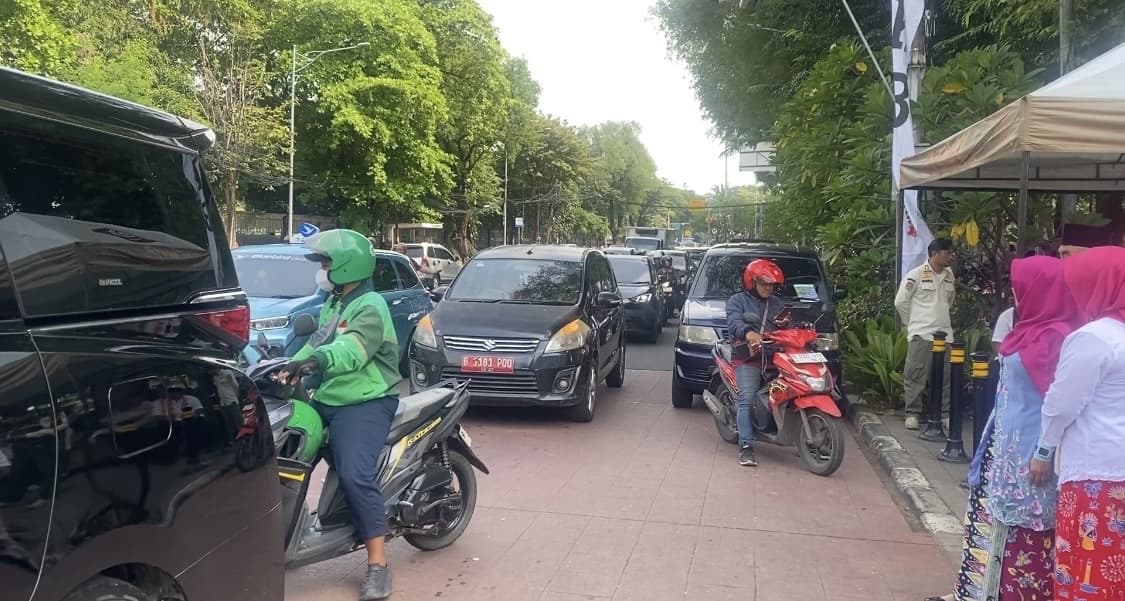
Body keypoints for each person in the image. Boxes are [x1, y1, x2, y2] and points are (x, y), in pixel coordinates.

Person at [278, 228, 401, 601]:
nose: (322, 269)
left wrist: (315, 361)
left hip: (366, 400)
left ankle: (378, 564)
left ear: (347, 266)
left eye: (326, 263)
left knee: (355, 474)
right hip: (328, 397)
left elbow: (350, 350)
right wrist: (285, 366)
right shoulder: (334, 301)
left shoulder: (370, 306)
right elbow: (316, 345)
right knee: (288, 451)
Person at [978, 256, 1080, 600]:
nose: (1015, 294)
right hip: (1008, 447)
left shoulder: (1057, 339)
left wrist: (1044, 451)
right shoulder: (1025, 330)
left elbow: (1061, 405)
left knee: (1032, 542)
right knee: (1007, 538)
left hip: (1033, 458)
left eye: (1021, 287)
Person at [1029, 246, 1125, 601]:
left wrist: (1043, 450)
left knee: (1087, 566)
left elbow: (1061, 405)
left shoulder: (1094, 338)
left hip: (1095, 475)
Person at [725, 258, 790, 467]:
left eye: (771, 285)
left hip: (775, 358)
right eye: (764, 284)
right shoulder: (737, 301)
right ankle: (746, 446)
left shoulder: (777, 304)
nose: (768, 288)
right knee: (747, 398)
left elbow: (790, 323)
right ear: (751, 282)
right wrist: (748, 332)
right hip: (748, 358)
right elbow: (734, 323)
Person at [894, 237, 956, 430]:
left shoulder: (949, 275)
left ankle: (944, 414)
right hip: (922, 334)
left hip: (945, 334)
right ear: (934, 254)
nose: (950, 257)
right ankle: (912, 413)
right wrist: (912, 323)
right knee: (915, 376)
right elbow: (900, 302)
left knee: (946, 377)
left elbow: (950, 300)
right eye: (947, 253)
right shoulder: (916, 275)